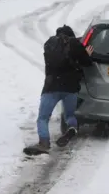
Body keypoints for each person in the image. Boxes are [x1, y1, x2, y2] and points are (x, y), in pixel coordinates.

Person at [23, 25, 94, 155]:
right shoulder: (75, 44)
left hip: (51, 87)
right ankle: (72, 127)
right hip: (71, 87)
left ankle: (44, 143)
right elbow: (87, 63)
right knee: (69, 115)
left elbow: (53, 63)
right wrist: (86, 54)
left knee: (43, 118)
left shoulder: (49, 44)